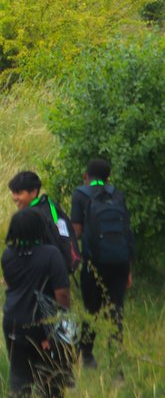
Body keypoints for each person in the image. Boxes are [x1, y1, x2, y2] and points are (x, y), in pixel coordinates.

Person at [1, 207, 72, 398]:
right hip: (42, 324)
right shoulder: (51, 254)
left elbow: (11, 285)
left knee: (20, 373)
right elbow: (62, 295)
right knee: (53, 372)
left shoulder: (8, 255)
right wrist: (56, 329)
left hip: (12, 323)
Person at [70, 158, 134, 370]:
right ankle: (116, 362)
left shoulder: (80, 194)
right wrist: (128, 270)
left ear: (85, 177)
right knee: (116, 311)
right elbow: (126, 232)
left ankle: (87, 356)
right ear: (108, 178)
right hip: (120, 263)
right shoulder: (118, 195)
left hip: (93, 264)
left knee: (91, 309)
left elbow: (77, 231)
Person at [8, 171, 79, 276]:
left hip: (42, 275)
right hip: (60, 269)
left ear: (33, 192)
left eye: (19, 193)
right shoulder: (49, 205)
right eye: (13, 193)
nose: (14, 198)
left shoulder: (29, 216)